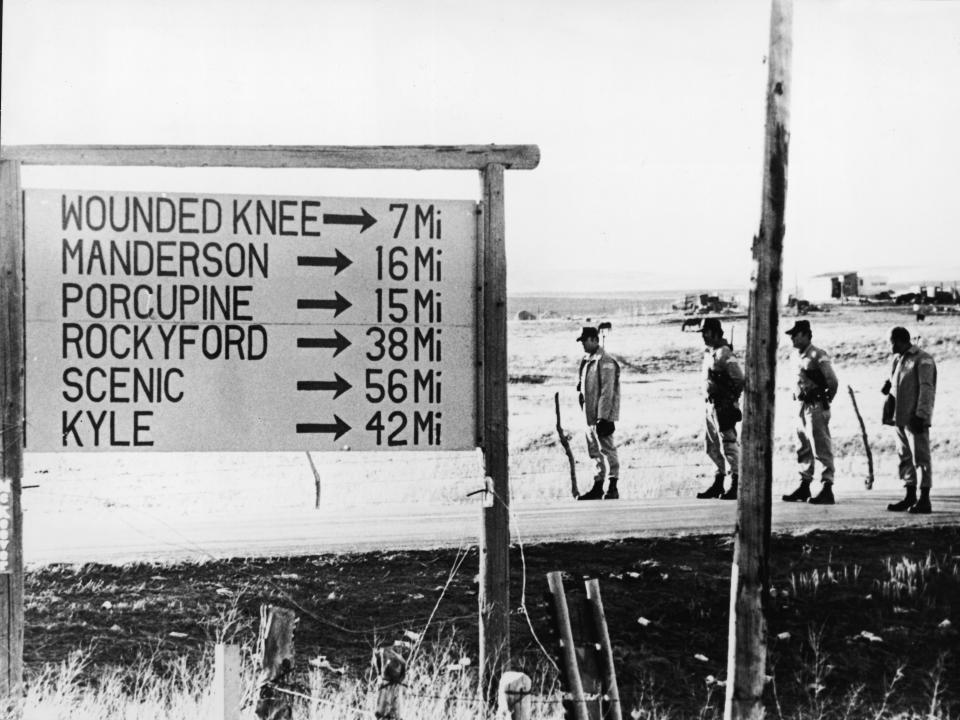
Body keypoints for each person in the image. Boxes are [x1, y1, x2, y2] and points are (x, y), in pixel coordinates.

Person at [782, 320, 839, 504]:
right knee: (803, 445)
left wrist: (825, 400)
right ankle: (804, 484)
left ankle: (826, 486)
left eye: (795, 333)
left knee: (820, 445)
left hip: (815, 405)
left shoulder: (817, 354)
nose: (792, 337)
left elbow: (832, 381)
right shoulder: (795, 356)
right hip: (800, 405)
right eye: (791, 334)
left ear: (806, 334)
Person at [883, 327, 937, 514]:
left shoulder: (923, 359)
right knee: (905, 457)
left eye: (892, 341)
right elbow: (894, 385)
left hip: (914, 418)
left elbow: (926, 389)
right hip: (900, 417)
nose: (890, 346)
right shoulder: (898, 360)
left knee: (920, 458)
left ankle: (924, 498)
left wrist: (921, 415)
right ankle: (910, 494)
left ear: (900, 340)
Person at [695, 318, 744, 500]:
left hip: (722, 405)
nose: (703, 336)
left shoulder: (724, 353)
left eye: (705, 332)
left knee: (728, 444)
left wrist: (731, 400)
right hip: (710, 405)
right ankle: (718, 480)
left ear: (715, 332)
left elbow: (739, 379)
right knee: (712, 445)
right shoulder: (710, 353)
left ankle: (735, 482)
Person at [575, 326, 621, 500]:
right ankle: (598, 485)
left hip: (602, 416)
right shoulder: (587, 360)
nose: (583, 345)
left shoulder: (605, 360)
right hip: (589, 415)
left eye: (585, 341)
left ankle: (612, 485)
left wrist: (603, 417)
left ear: (595, 339)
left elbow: (607, 391)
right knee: (594, 451)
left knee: (607, 449)